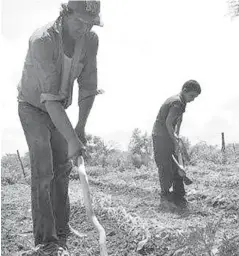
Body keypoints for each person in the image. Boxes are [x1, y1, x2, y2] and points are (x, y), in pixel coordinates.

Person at [17, 1, 103, 255]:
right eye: (79, 21)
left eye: (90, 23)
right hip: (32, 107)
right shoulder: (42, 40)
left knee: (63, 169)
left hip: (58, 110)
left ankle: (62, 232)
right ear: (65, 14)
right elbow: (50, 98)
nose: (84, 28)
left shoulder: (90, 41)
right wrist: (72, 140)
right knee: (44, 168)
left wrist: (80, 128)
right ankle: (47, 241)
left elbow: (88, 87)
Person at [152, 80, 201, 206]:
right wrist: (174, 139)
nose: (193, 99)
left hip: (168, 135)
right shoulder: (177, 102)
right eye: (192, 96)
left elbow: (178, 121)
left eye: (195, 97)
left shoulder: (181, 102)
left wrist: (177, 137)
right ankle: (165, 196)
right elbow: (169, 123)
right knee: (165, 166)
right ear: (184, 91)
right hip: (161, 136)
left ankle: (179, 195)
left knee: (178, 165)